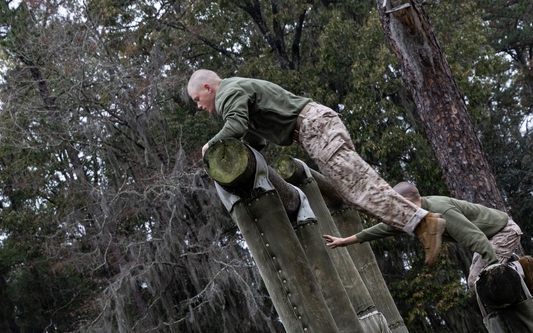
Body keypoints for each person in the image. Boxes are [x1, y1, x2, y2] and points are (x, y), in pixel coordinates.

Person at [187, 70, 446, 265]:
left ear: (208, 88)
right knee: (355, 193)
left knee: (358, 188)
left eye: (198, 99)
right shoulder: (238, 89)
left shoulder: (227, 94)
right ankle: (420, 224)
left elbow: (237, 126)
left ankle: (423, 222)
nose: (199, 106)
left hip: (315, 127)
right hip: (316, 127)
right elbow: (256, 138)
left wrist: (211, 145)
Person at [323, 182, 533, 294]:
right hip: (489, 238)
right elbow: (383, 229)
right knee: (480, 279)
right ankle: (524, 267)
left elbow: (474, 237)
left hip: (502, 232)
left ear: (411, 201)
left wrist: (493, 265)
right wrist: (345, 241)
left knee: (477, 282)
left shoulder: (441, 210)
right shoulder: (415, 216)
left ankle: (521, 270)